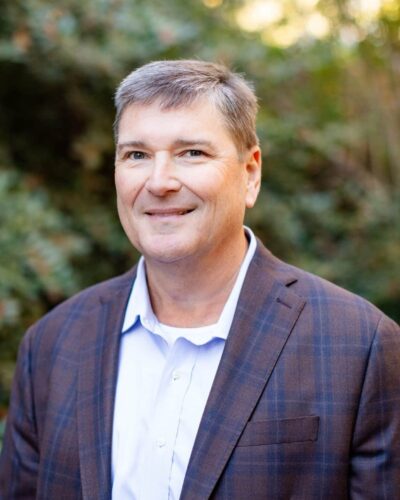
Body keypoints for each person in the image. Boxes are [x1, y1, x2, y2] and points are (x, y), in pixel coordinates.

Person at [0, 60, 399, 500]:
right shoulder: (51, 346)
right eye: (137, 155)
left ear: (250, 174)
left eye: (192, 153)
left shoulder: (359, 345)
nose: (159, 181)